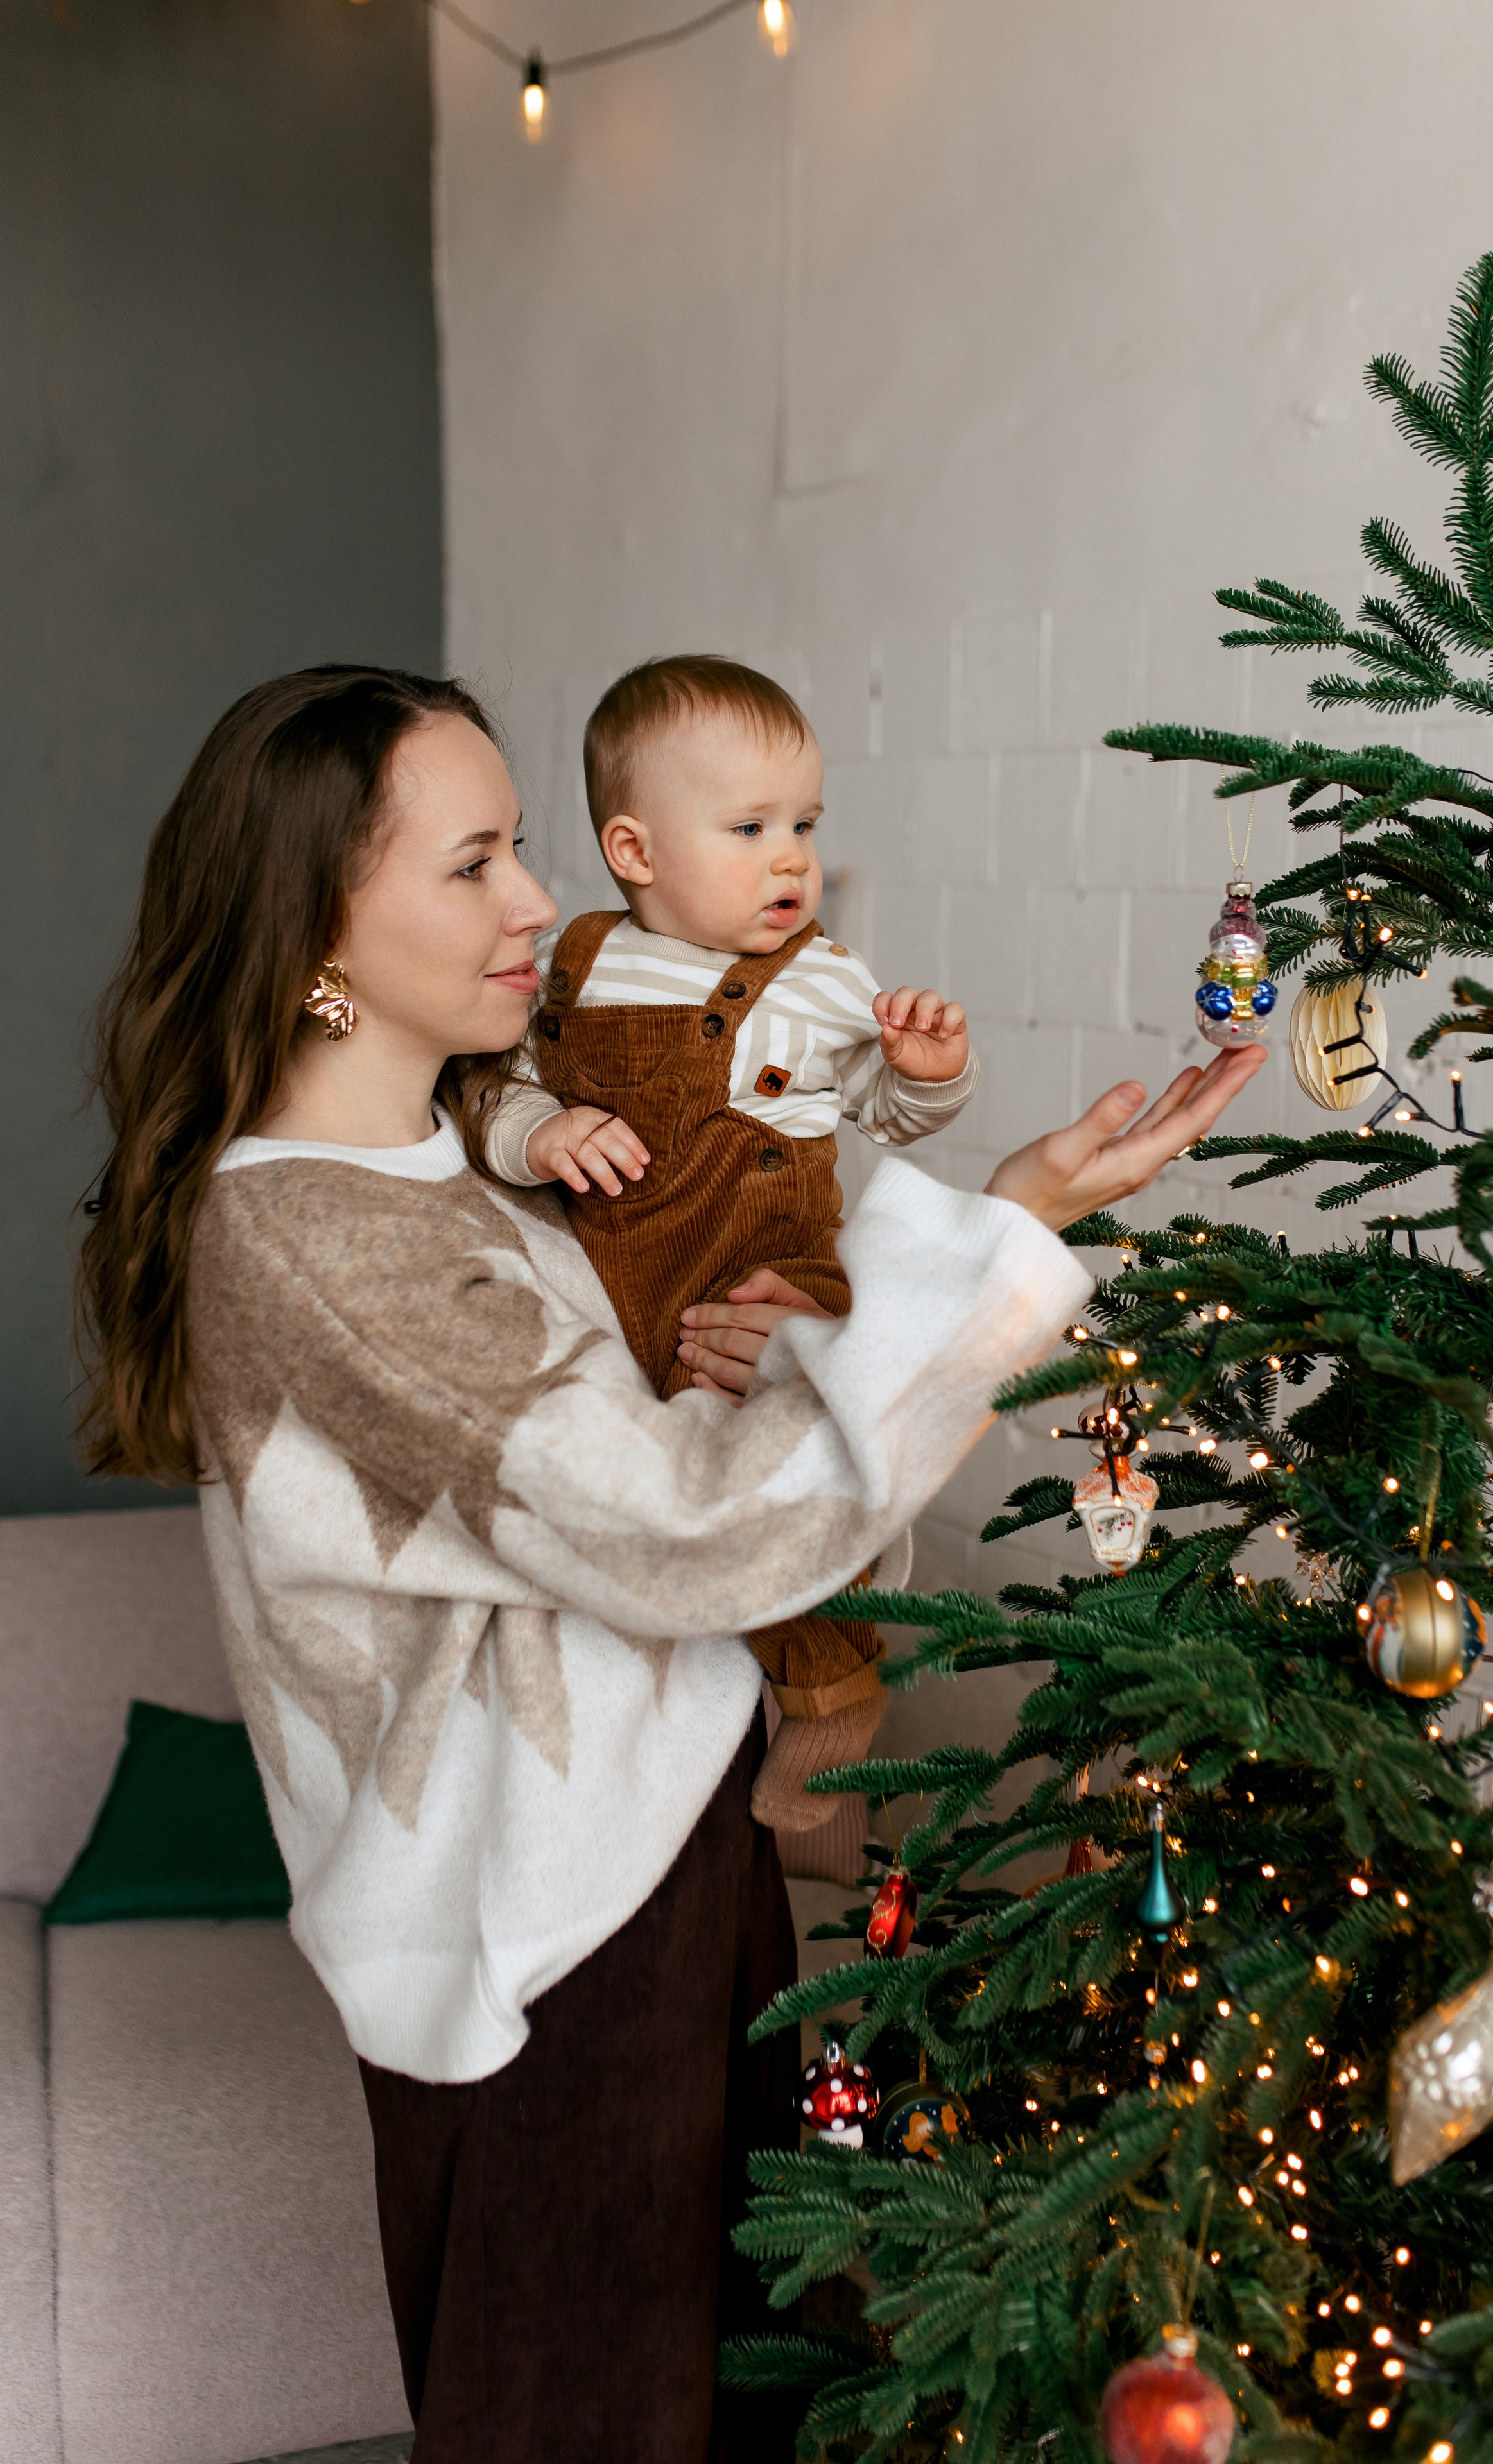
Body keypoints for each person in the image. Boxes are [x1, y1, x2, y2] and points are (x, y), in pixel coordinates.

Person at [76, 665, 1264, 2464]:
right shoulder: (318, 1231)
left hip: (646, 1862)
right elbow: (692, 1536)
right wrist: (1010, 1232)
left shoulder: (456, 1176)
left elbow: (631, 1467)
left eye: (527, 851)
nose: (538, 905)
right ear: (317, 921)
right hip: (550, 1938)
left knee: (736, 2402)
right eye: (474, 863)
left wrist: (770, 1333)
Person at [479, 654, 978, 1827]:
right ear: (636, 851)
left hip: (771, 1275)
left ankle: (831, 1692)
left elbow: (890, 1117)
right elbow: (490, 1085)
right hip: (620, 1294)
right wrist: (542, 1131)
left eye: (804, 822)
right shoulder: (576, 964)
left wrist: (932, 1071)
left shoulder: (823, 982)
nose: (791, 855)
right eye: (749, 826)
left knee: (774, 1495)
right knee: (646, 1513)